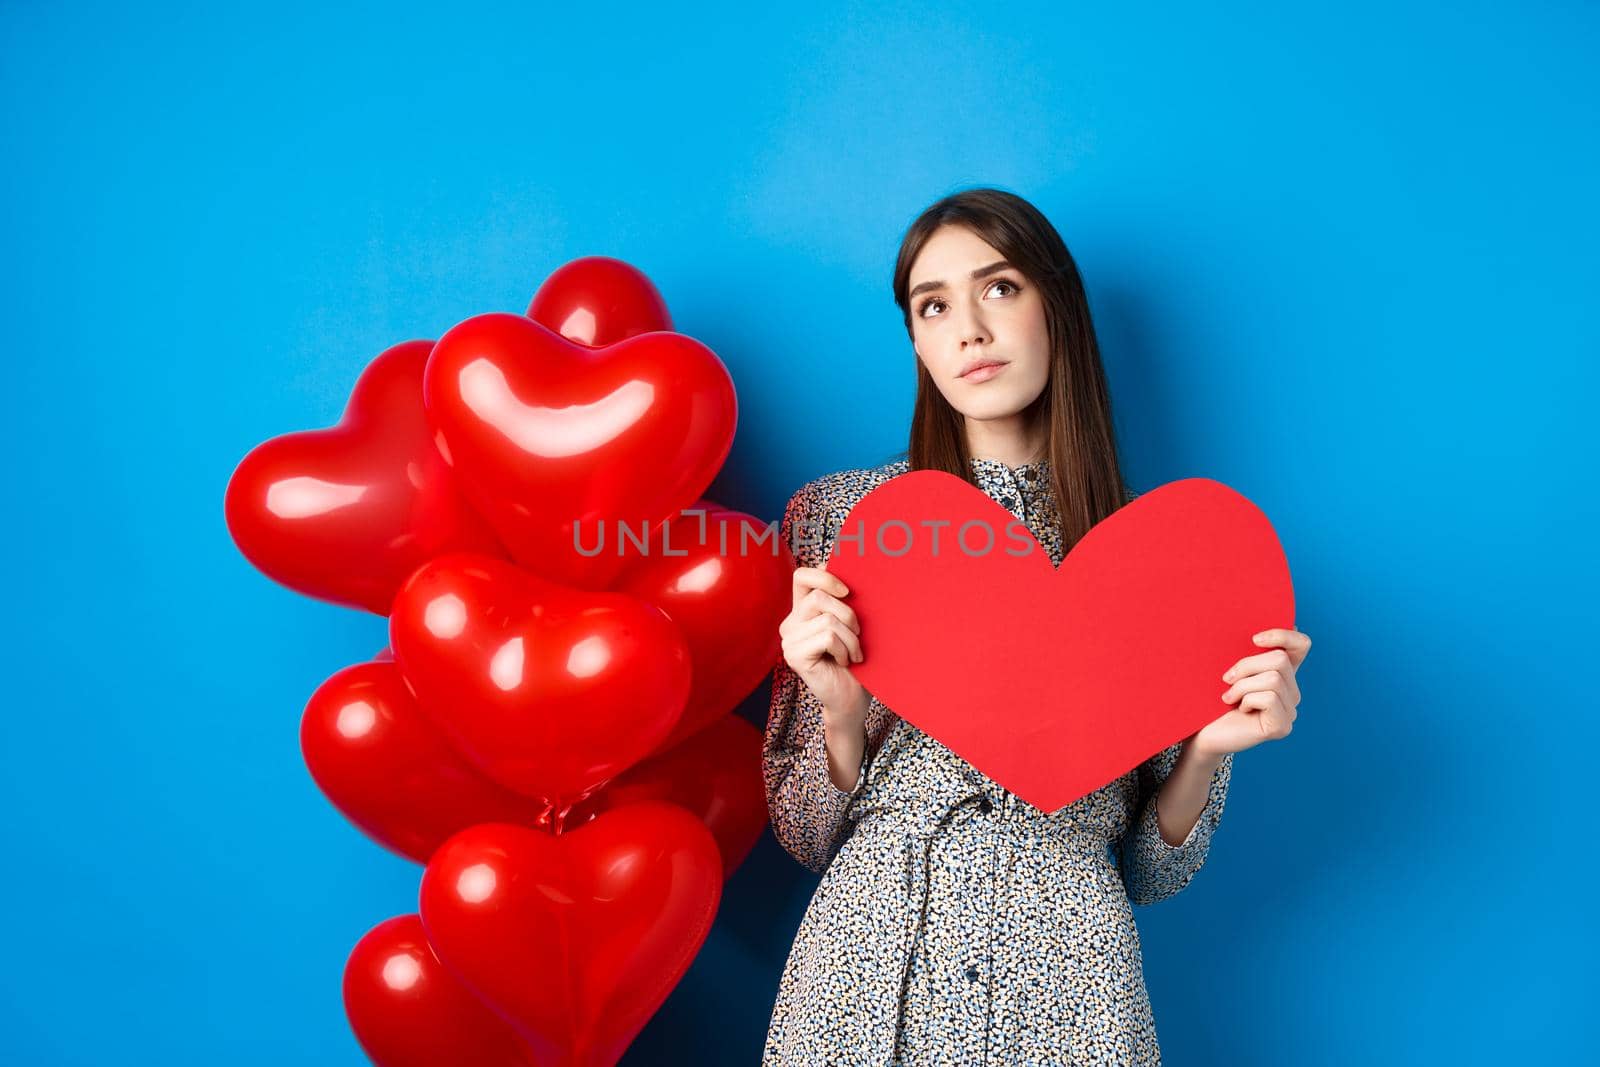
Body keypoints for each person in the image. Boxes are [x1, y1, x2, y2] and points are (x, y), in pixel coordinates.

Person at [760, 187, 1311, 1065]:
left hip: (1068, 980)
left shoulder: (1165, 556)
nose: (969, 329)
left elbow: (1152, 872)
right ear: (917, 341)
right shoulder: (841, 519)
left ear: (1058, 305)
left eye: (1001, 287)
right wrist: (838, 714)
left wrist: (1208, 749)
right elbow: (802, 831)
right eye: (933, 305)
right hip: (863, 975)